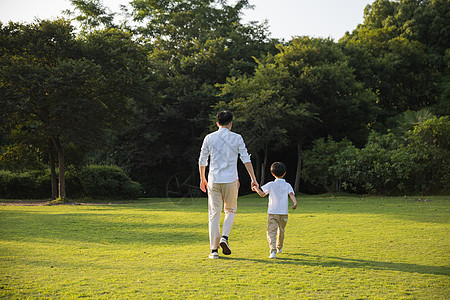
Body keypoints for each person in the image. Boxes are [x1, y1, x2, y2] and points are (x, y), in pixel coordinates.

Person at [199, 111, 258, 259]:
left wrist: (202, 178)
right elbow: (245, 159)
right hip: (231, 180)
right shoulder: (237, 138)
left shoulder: (209, 138)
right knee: (230, 210)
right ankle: (224, 237)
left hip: (213, 179)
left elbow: (202, 160)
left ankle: (214, 250)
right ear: (231, 123)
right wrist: (253, 178)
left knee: (214, 214)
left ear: (217, 123)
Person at [252, 162, 297, 259]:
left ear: (272, 174)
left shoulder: (271, 184)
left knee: (271, 232)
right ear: (284, 173)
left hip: (272, 212)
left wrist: (256, 188)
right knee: (281, 230)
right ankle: (279, 248)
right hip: (284, 213)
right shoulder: (287, 185)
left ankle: (272, 251)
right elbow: (291, 195)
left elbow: (262, 194)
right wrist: (295, 203)